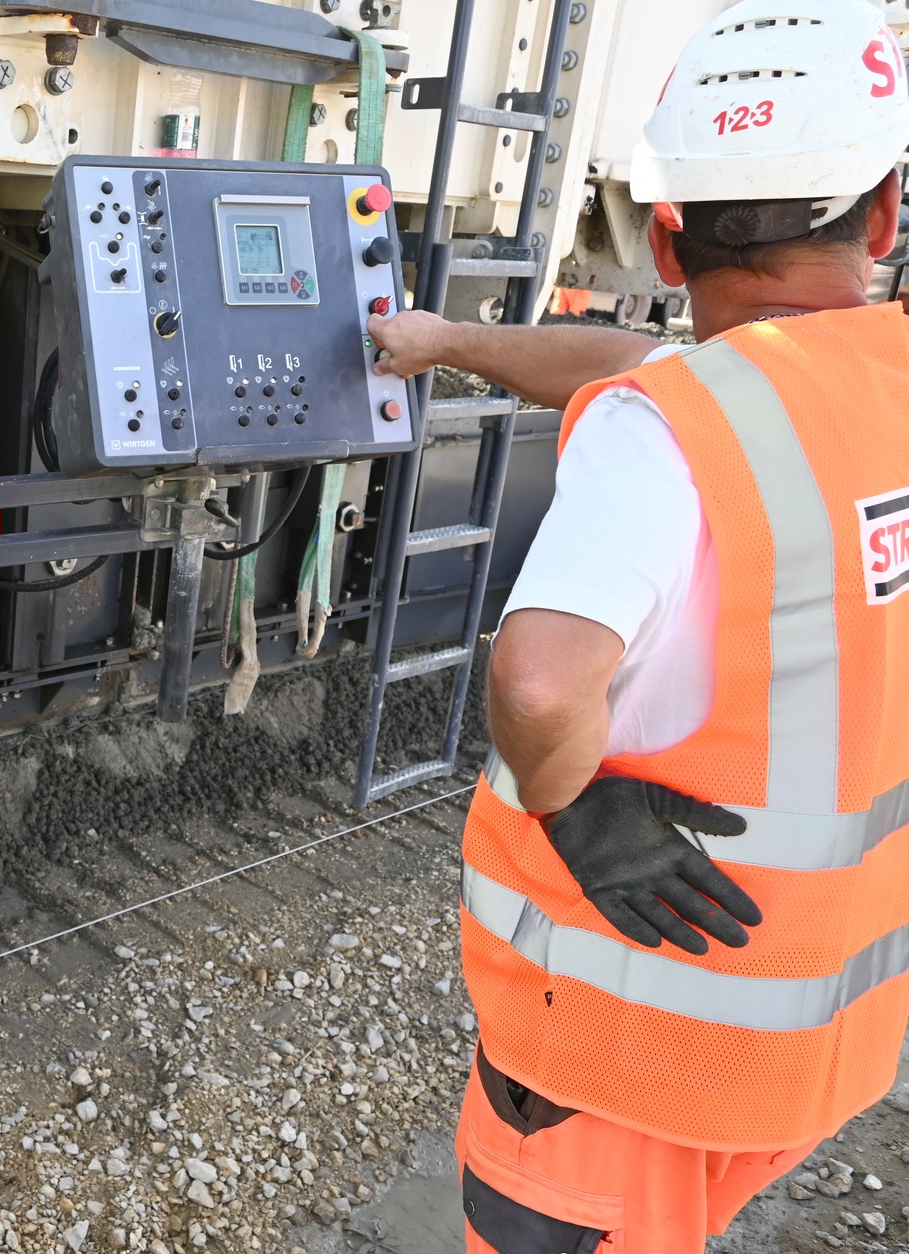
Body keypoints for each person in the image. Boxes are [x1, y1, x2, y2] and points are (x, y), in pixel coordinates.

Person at [368, 1, 909, 1249]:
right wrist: (450, 344)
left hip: (619, 1067)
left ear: (665, 243)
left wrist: (572, 807)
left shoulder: (665, 435)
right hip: (809, 1035)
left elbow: (544, 687)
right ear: (883, 213)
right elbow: (652, 368)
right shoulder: (850, 392)